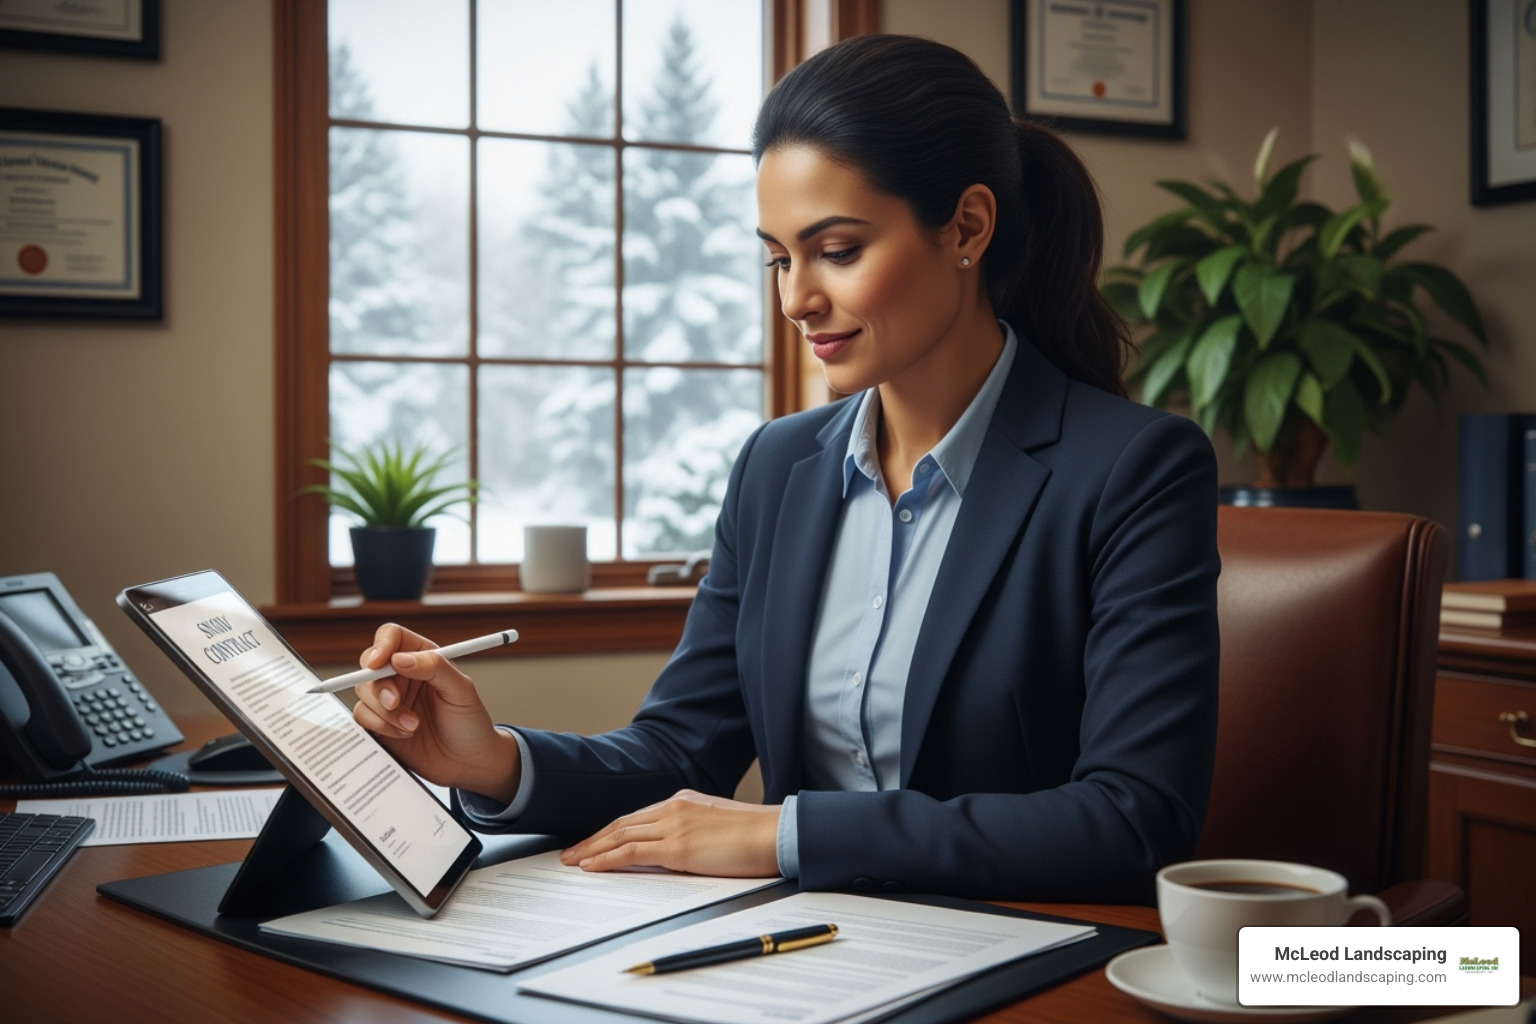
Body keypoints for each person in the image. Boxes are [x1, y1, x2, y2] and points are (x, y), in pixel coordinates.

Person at [352, 34, 1220, 904]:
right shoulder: (777, 466)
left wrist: (783, 833)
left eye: (836, 250)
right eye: (778, 257)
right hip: (802, 946)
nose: (795, 299)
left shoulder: (1135, 470)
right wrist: (495, 761)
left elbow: (1134, 819)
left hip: (1025, 945)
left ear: (967, 227)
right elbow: (681, 752)